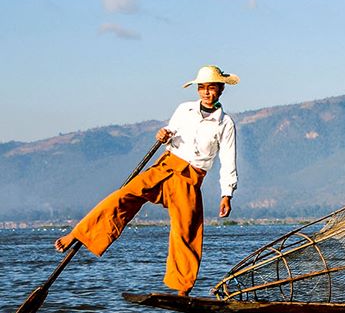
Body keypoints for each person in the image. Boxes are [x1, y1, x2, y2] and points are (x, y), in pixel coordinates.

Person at [54, 65, 239, 296]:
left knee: (186, 229)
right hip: (165, 166)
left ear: (221, 90)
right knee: (123, 196)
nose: (206, 93)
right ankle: (78, 233)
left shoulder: (225, 123)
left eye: (211, 88)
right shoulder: (184, 109)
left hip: (190, 178)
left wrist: (227, 194)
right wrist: (162, 134)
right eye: (202, 88)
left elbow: (228, 159)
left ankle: (182, 288)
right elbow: (169, 131)